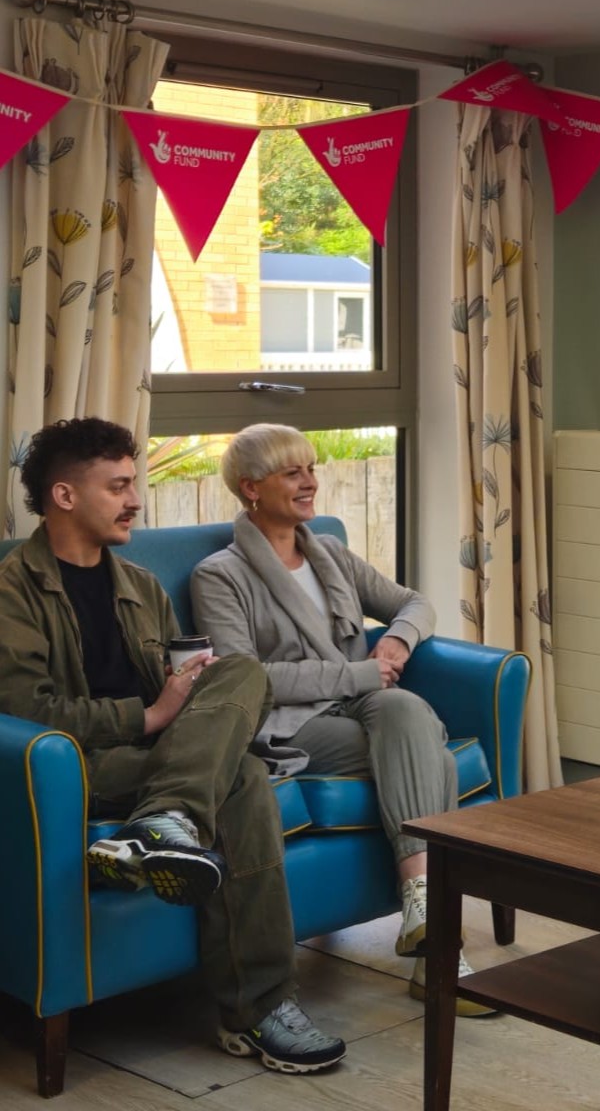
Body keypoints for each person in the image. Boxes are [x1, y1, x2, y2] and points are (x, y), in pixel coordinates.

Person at [0, 418, 344, 1074]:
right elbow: (26, 710)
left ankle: (167, 821)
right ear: (65, 495)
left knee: (240, 673)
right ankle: (259, 1011)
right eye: (120, 486)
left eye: (136, 484)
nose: (136, 500)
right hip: (79, 766)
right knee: (240, 777)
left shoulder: (139, 585)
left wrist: (187, 688)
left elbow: (186, 685)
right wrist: (151, 713)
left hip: (159, 760)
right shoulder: (12, 590)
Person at [190, 423, 494, 1017]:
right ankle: (439, 951)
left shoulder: (327, 551)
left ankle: (424, 910)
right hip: (287, 723)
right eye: (292, 473)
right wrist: (358, 674)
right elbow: (246, 677)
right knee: (420, 736)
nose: (311, 483)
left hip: (363, 706)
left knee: (406, 709)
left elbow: (414, 603)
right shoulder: (219, 576)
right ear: (251, 488)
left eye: (311, 468)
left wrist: (396, 646)